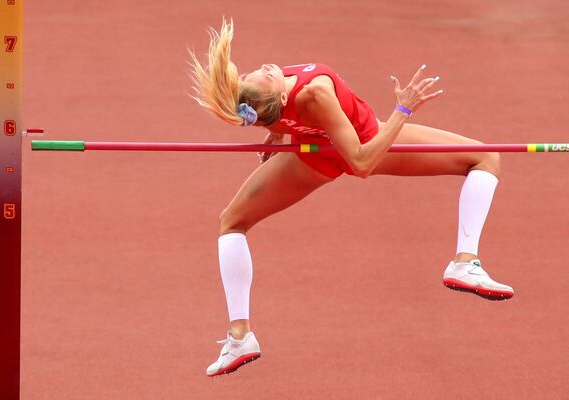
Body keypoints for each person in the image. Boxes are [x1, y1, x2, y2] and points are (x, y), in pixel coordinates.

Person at [189, 20, 513, 377]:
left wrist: (278, 137)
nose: (267, 68)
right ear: (280, 100)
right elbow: (361, 162)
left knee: (232, 221)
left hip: (315, 156)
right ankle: (464, 263)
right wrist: (403, 110)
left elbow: (269, 115)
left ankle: (241, 337)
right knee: (486, 157)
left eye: (258, 71)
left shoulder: (261, 102)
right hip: (368, 145)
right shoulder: (310, 95)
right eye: (265, 75)